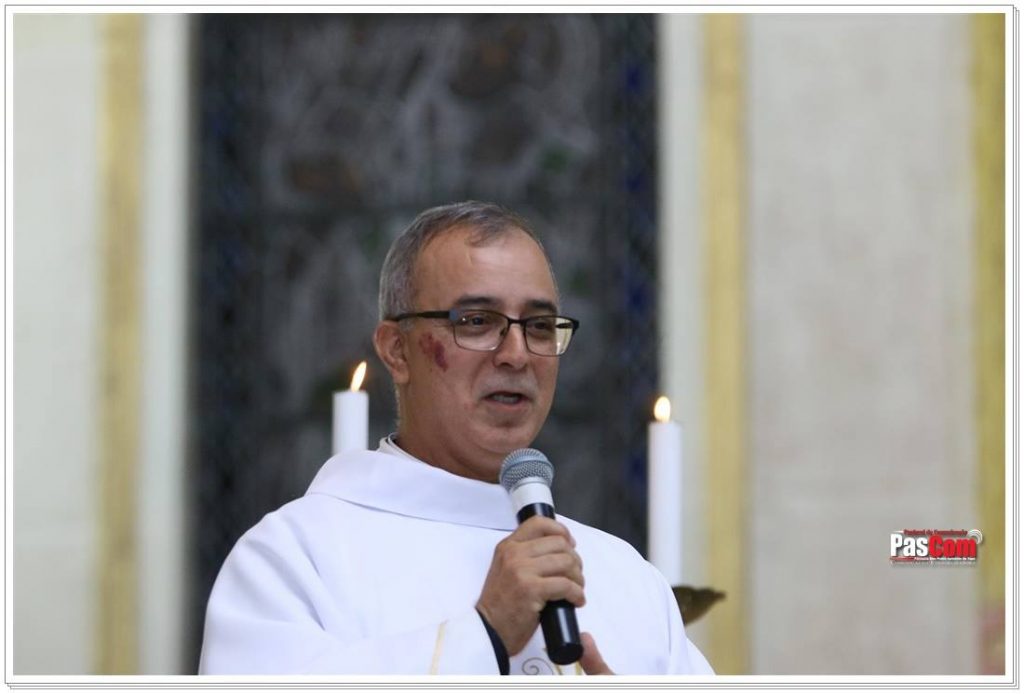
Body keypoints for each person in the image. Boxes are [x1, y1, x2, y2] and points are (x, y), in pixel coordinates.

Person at [199, 201, 714, 676]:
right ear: (397, 350)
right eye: (476, 321)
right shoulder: (295, 560)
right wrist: (486, 632)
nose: (517, 354)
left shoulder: (629, 581)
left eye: (539, 325)